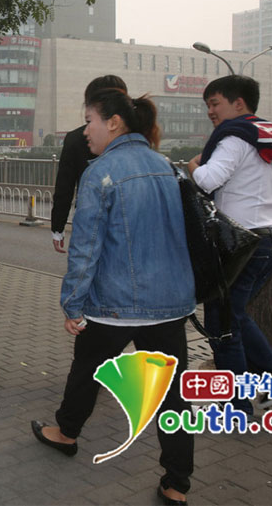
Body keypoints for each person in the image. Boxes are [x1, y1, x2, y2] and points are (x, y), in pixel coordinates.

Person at [31, 88, 195, 506]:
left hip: (115, 303)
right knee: (173, 396)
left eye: (89, 120)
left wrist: (72, 303)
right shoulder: (167, 168)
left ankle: (66, 433)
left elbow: (86, 248)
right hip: (169, 304)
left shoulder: (100, 173)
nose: (85, 131)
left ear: (114, 122)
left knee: (87, 368)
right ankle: (176, 484)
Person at [187, 74, 272, 415]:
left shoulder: (234, 138)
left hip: (241, 244)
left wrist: (194, 165)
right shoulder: (268, 136)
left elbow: (207, 180)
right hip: (269, 242)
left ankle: (235, 406)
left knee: (224, 327)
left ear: (239, 104)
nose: (210, 112)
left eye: (215, 103)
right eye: (207, 105)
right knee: (235, 318)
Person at [50, 75, 127, 253]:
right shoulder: (139, 138)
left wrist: (57, 229)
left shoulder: (75, 138)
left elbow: (64, 188)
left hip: (89, 223)